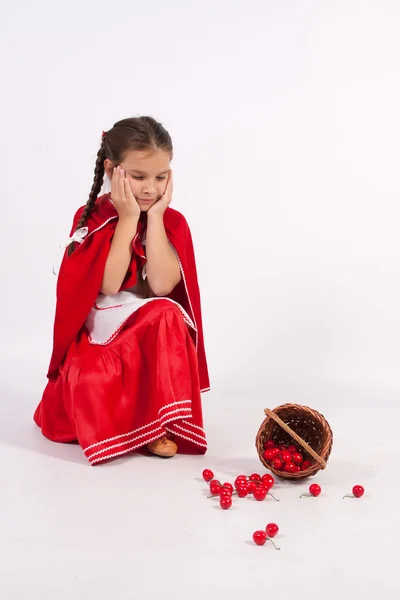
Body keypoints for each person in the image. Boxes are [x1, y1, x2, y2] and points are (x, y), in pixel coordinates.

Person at [34, 116, 210, 465]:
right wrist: (128, 218)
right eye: (138, 177)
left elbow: (161, 286)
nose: (150, 189)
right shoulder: (94, 217)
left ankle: (157, 423)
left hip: (150, 340)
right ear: (112, 169)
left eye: (161, 178)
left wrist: (156, 217)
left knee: (167, 314)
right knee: (90, 381)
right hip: (99, 336)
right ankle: (135, 420)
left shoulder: (173, 222)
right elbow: (109, 285)